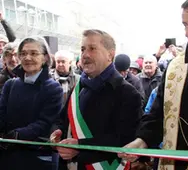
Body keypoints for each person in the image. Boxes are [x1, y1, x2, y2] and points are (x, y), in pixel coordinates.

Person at [119, 0, 188, 170]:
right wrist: (142, 141)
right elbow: (158, 115)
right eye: (185, 25)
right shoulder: (175, 67)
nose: (187, 32)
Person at [50, 29, 142, 170]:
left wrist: (80, 147)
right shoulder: (78, 87)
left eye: (92, 49)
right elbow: (61, 119)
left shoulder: (127, 92)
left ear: (110, 55)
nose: (85, 55)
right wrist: (56, 133)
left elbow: (124, 139)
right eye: (82, 49)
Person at [0, 36, 63, 170]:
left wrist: (16, 135)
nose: (27, 58)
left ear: (45, 57)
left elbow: (44, 123)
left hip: (37, 158)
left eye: (34, 53)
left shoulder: (53, 88)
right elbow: (1, 114)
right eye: (23, 54)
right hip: (7, 156)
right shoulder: (10, 85)